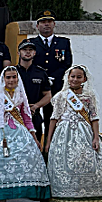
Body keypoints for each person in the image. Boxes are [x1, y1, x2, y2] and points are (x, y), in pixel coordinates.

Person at [44, 65, 102, 202]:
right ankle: (66, 200)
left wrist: (96, 137)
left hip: (85, 133)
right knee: (65, 165)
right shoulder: (61, 96)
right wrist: (48, 140)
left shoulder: (90, 97)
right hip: (64, 135)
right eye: (72, 76)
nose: (75, 79)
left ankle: (87, 200)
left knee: (85, 163)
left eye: (78, 77)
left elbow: (94, 118)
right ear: (67, 78)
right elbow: (53, 119)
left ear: (84, 79)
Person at [0, 66, 50, 202]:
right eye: (8, 77)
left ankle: (13, 198)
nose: (11, 80)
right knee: (0, 166)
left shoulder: (20, 96)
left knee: (22, 163)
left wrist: (34, 137)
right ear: (3, 79)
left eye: (14, 77)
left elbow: (26, 118)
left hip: (19, 132)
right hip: (0, 133)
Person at [26, 10, 73, 139]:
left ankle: (49, 148)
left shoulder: (63, 42)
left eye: (49, 22)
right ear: (37, 25)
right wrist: (43, 78)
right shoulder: (31, 43)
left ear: (54, 24)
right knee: (34, 117)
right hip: (36, 86)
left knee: (52, 118)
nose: (46, 24)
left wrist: (53, 77)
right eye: (43, 22)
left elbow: (67, 63)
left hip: (56, 86)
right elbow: (30, 63)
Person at [15, 40, 54, 144]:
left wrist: (35, 106)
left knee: (35, 147)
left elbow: (48, 95)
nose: (27, 52)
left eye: (30, 50)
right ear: (18, 52)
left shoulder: (41, 73)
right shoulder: (12, 72)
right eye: (24, 50)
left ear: (34, 53)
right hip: (15, 116)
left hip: (34, 115)